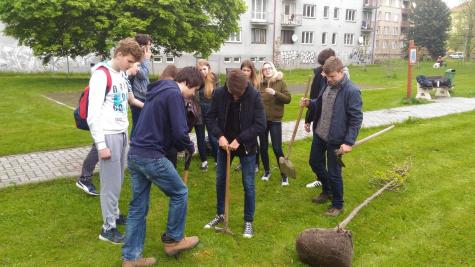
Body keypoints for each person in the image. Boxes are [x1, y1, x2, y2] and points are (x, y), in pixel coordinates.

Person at [122, 67, 203, 266]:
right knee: (180, 192)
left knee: (137, 208)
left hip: (135, 154)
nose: (192, 95)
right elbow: (179, 130)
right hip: (150, 156)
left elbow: (163, 126)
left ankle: (131, 259)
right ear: (189, 83)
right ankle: (174, 240)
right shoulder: (174, 94)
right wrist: (189, 145)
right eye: (194, 91)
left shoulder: (158, 89)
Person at [87, 38, 143, 243]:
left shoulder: (120, 74)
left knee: (118, 180)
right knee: (110, 185)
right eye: (129, 61)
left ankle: (115, 214)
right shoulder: (101, 76)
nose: (131, 66)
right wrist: (101, 146)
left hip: (121, 133)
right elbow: (92, 115)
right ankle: (107, 229)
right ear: (119, 54)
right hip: (108, 135)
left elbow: (127, 101)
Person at [204, 69, 265, 238]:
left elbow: (260, 124)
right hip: (225, 145)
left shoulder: (253, 95)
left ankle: (248, 221)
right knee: (220, 180)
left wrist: (240, 139)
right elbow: (210, 118)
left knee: (248, 184)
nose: (237, 97)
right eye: (234, 93)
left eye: (240, 94)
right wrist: (220, 136)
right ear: (228, 87)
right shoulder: (220, 93)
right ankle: (220, 214)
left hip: (246, 146)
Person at [300, 56, 363, 217]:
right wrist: (310, 103)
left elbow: (356, 119)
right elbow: (320, 103)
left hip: (336, 138)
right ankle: (327, 190)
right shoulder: (327, 84)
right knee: (314, 162)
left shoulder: (352, 91)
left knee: (334, 173)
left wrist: (349, 142)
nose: (329, 80)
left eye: (332, 76)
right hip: (320, 133)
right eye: (327, 76)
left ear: (341, 72)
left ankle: (338, 204)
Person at [75, 62, 145, 197]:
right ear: (129, 64)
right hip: (105, 125)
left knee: (100, 149)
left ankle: (90, 179)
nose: (139, 68)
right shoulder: (106, 74)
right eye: (137, 65)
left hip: (117, 127)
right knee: (98, 147)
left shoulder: (124, 78)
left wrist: (148, 106)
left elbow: (132, 100)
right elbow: (96, 110)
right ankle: (84, 178)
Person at [304, 48, 335, 189]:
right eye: (322, 65)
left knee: (333, 162)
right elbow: (315, 98)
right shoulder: (319, 75)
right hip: (319, 123)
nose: (323, 68)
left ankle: (329, 187)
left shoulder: (340, 78)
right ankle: (322, 180)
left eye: (324, 65)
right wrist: (307, 120)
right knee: (316, 159)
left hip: (333, 126)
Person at [257, 61, 291, 186]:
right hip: (262, 121)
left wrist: (275, 93)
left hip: (275, 120)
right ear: (262, 72)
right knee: (263, 147)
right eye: (265, 69)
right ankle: (267, 171)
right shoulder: (260, 84)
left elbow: (288, 99)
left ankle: (284, 175)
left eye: (269, 68)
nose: (267, 70)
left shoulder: (280, 82)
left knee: (277, 148)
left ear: (273, 69)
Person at [235, 59, 261, 173]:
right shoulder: (238, 82)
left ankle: (256, 163)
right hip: (241, 114)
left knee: (253, 141)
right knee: (241, 139)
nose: (245, 72)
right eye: (243, 70)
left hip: (252, 116)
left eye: (248, 70)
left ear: (252, 72)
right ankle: (242, 162)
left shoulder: (254, 84)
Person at [195, 59, 220, 171]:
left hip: (211, 113)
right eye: (200, 70)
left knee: (213, 137)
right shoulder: (195, 79)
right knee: (200, 137)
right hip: (198, 112)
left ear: (209, 69)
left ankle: (217, 160)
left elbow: (220, 96)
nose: (202, 72)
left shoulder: (214, 79)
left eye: (204, 69)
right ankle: (204, 161)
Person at [129, 33, 152, 139]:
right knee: (138, 125)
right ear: (142, 46)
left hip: (143, 96)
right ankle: (133, 149)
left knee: (142, 125)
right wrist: (146, 60)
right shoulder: (135, 60)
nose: (150, 48)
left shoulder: (141, 59)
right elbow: (143, 75)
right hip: (137, 97)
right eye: (148, 45)